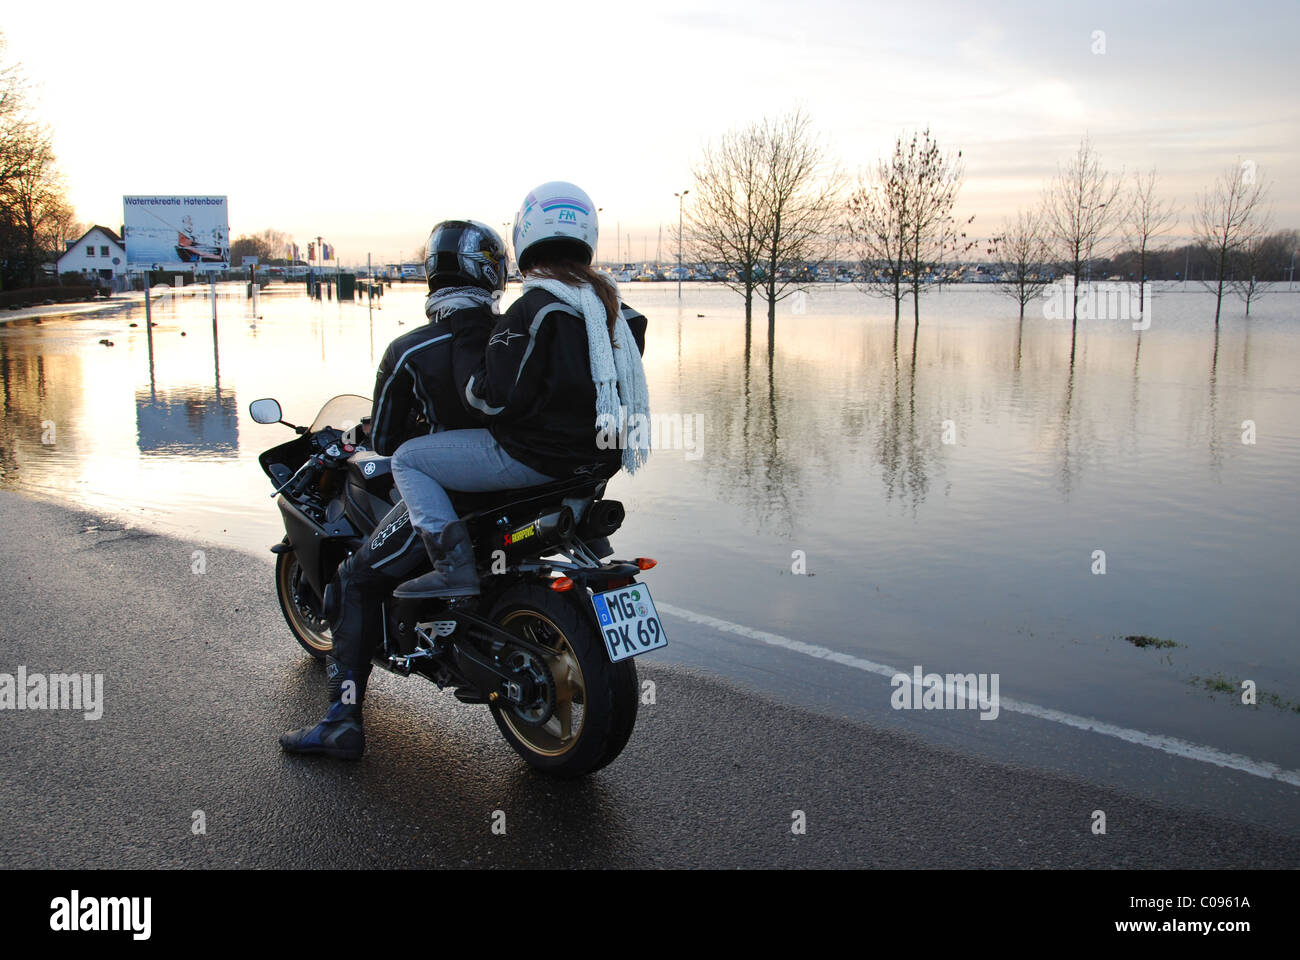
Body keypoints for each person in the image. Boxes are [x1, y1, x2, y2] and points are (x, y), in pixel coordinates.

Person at [279, 219, 508, 760]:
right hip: (517, 487)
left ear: (433, 272)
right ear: (491, 271)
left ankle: (341, 721)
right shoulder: (512, 338)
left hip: (448, 497)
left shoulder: (410, 349)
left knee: (355, 579)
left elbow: (383, 438)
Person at [389, 180, 651, 601]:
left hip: (535, 459)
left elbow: (487, 400)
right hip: (600, 461)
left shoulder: (533, 310)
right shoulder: (620, 313)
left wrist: (469, 329)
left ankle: (452, 566)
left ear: (525, 234)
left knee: (407, 460)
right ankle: (590, 546)